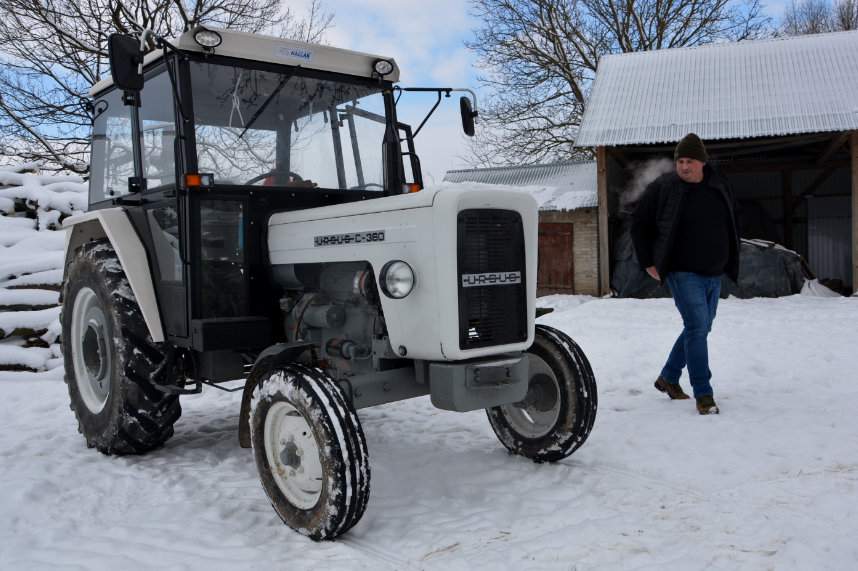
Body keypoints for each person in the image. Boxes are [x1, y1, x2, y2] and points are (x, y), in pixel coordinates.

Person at [631, 133, 740, 415]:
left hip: (713, 272)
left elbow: (731, 220)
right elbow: (640, 224)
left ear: (702, 162)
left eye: (690, 161)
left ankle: (668, 377)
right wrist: (648, 262)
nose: (684, 166)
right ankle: (704, 395)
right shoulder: (664, 187)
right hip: (682, 272)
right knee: (696, 327)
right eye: (680, 160)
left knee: (700, 328)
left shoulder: (718, 185)